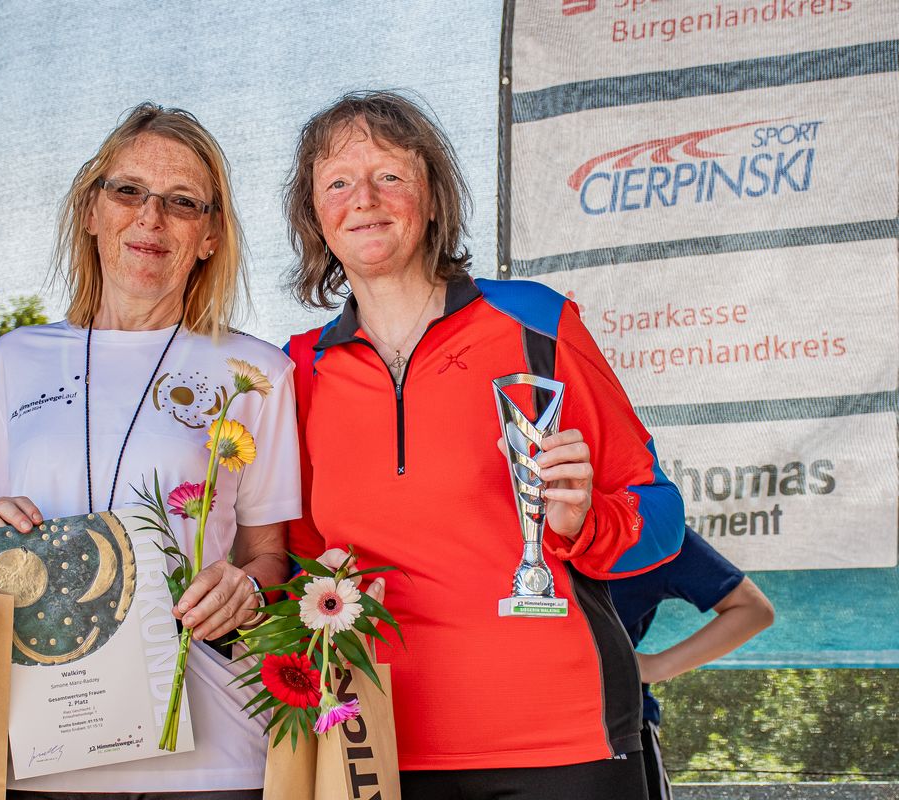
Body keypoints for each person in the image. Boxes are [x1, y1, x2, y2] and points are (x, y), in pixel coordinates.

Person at [282, 90, 686, 800]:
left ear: (433, 197)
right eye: (338, 182)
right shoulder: (300, 369)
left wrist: (584, 523)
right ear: (315, 217)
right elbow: (299, 558)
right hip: (380, 746)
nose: (364, 199)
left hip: (564, 744)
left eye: (390, 175)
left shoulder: (535, 323)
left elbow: (662, 515)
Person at [0, 103, 300, 799]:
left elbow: (269, 554)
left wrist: (247, 589)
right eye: (128, 191)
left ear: (209, 236)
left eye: (182, 201)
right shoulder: (14, 360)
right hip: (43, 748)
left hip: (210, 755)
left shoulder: (258, 373)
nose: (151, 218)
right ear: (91, 211)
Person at [610, 527, 774, 800]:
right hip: (531, 735)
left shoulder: (649, 527)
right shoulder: (530, 530)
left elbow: (754, 610)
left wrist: (654, 667)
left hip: (619, 730)